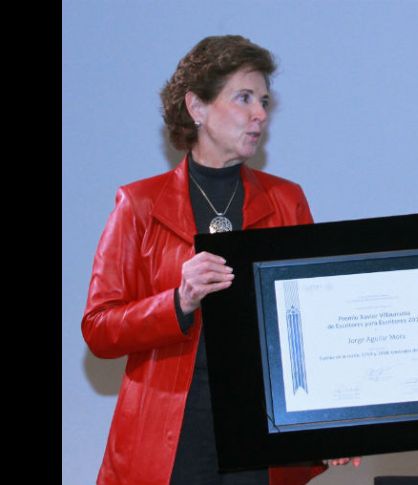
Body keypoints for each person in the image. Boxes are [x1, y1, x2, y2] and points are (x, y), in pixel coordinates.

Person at [82, 35, 348, 485]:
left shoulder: (287, 200)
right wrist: (177, 301)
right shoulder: (138, 204)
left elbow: (313, 325)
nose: (260, 113)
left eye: (263, 100)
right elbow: (99, 328)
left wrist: (336, 419)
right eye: (243, 98)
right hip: (171, 429)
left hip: (262, 425)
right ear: (197, 107)